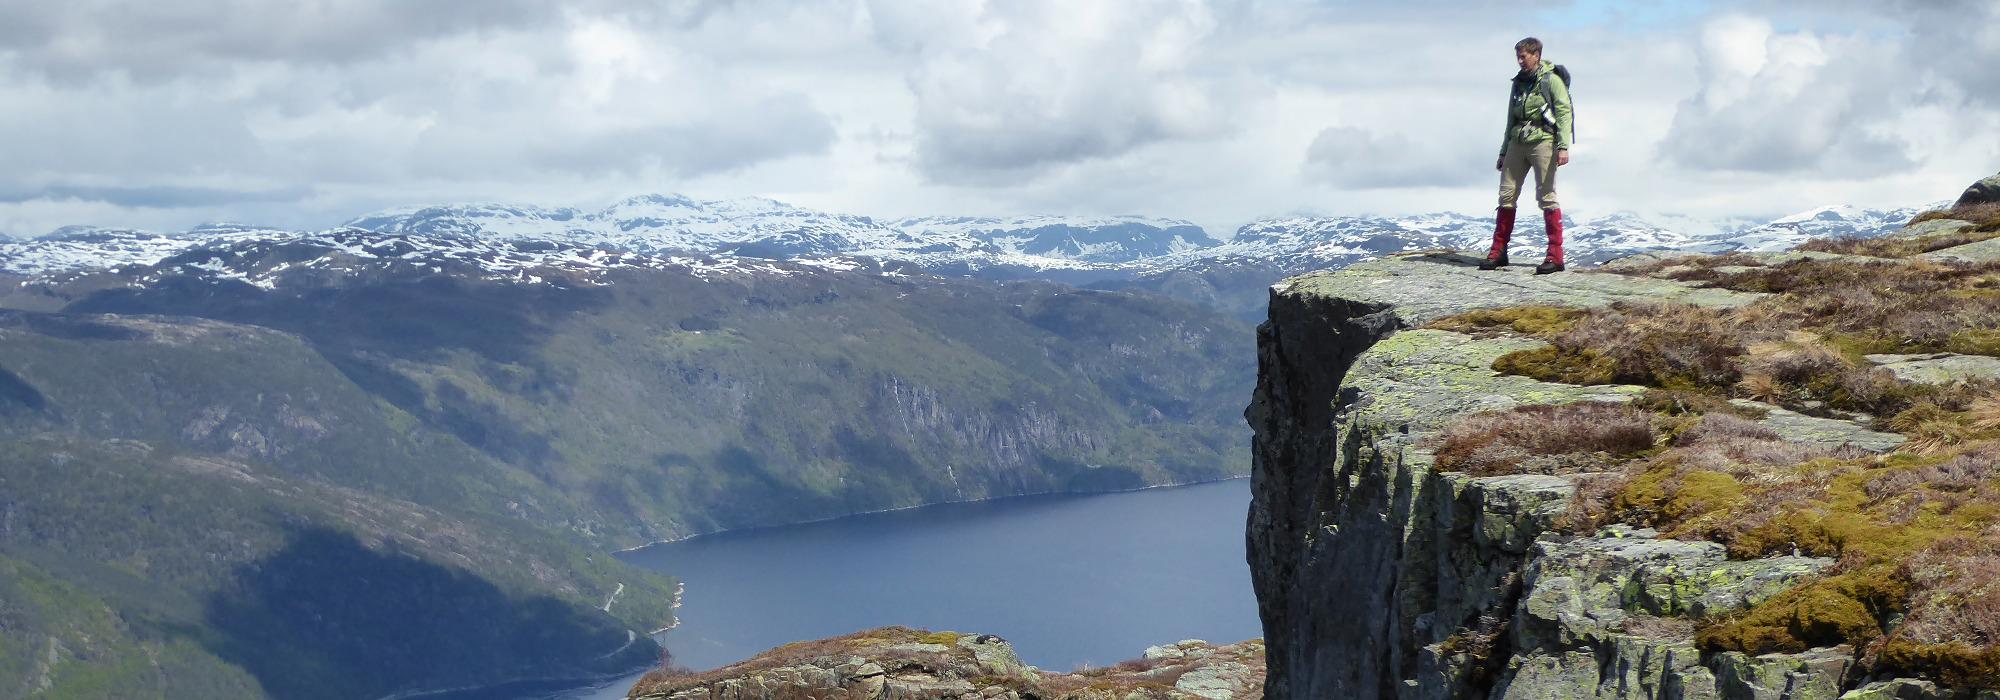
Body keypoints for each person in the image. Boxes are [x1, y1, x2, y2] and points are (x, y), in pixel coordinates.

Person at [1481, 36, 1573, 275]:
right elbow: (1510, 118)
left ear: (1537, 55)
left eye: (1524, 56)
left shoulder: (1551, 81)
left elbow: (1564, 113)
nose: (1520, 61)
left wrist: (1563, 146)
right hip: (1517, 142)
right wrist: (1503, 150)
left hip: (1543, 141)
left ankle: (1555, 255)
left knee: (1547, 196)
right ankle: (1498, 251)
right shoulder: (1518, 83)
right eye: (1518, 57)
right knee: (1506, 194)